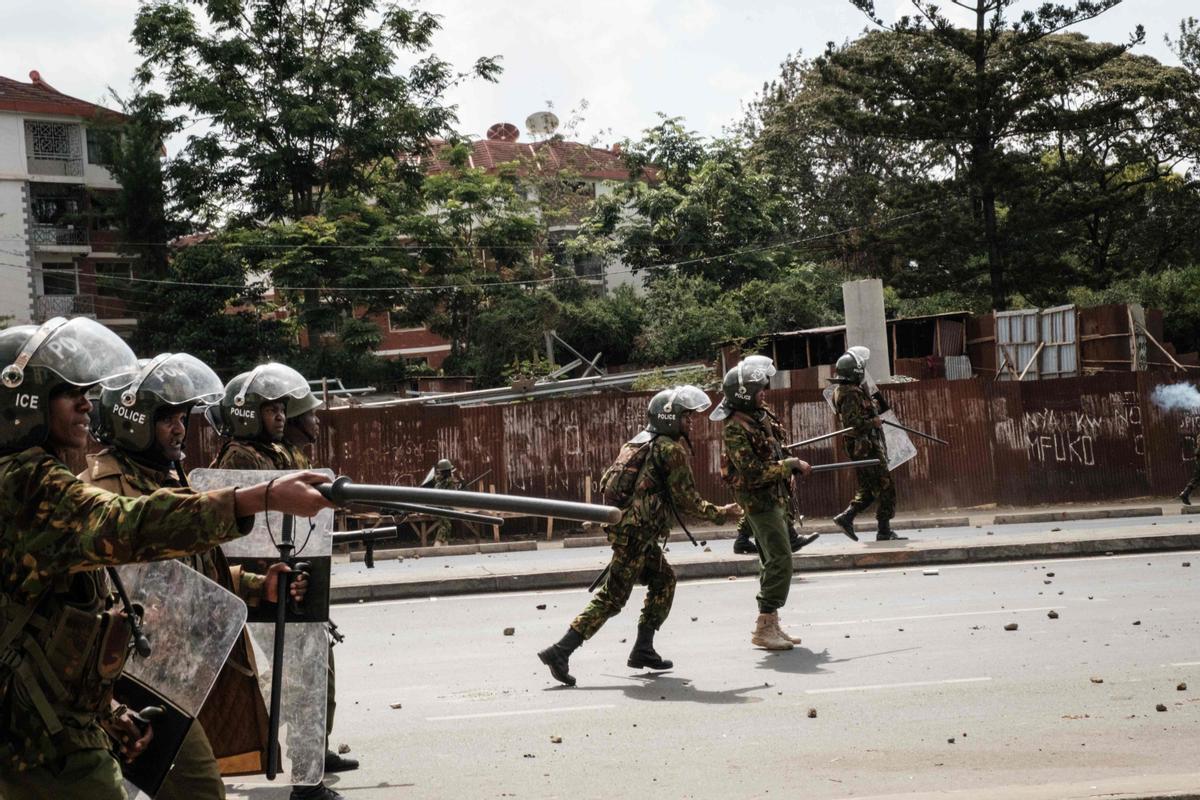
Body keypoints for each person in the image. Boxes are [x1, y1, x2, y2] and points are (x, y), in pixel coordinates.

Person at [0, 318, 331, 800]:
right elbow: (128, 527)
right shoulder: (27, 483)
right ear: (23, 403)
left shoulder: (66, 482)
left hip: (82, 705)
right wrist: (257, 497)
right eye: (66, 392)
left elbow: (125, 594)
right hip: (40, 732)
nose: (84, 404)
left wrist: (258, 585)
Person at [538, 386, 741, 686]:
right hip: (636, 535)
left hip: (633, 532)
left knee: (663, 580)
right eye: (686, 417)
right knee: (611, 598)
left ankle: (643, 649)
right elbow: (687, 501)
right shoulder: (670, 450)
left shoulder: (638, 442)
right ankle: (560, 651)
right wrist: (723, 513)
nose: (691, 423)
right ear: (670, 418)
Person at [210, 367, 350, 799]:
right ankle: (306, 784)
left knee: (317, 666)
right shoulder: (240, 458)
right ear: (248, 415)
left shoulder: (283, 453)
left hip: (295, 574)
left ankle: (316, 751)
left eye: (279, 409)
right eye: (269, 410)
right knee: (300, 678)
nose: (278, 417)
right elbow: (245, 531)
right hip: (266, 581)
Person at [713, 356, 811, 651]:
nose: (764, 392)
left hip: (775, 497)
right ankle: (764, 625)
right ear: (745, 394)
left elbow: (774, 452)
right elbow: (753, 472)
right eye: (759, 389)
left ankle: (770, 621)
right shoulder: (734, 428)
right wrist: (789, 464)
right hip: (759, 502)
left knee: (771, 560)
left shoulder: (759, 415)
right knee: (781, 559)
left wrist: (788, 461)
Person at [829, 348, 902, 542]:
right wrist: (874, 422)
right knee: (885, 486)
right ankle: (883, 530)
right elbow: (854, 424)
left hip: (865, 446)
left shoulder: (851, 390)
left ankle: (848, 517)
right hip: (865, 447)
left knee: (870, 488)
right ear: (856, 371)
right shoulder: (849, 393)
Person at [429, 459, 463, 546]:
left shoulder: (438, 481)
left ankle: (445, 547)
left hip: (438, 508)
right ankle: (437, 546)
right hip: (443, 509)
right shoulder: (449, 482)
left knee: (446, 526)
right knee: (446, 526)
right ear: (448, 471)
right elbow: (453, 496)